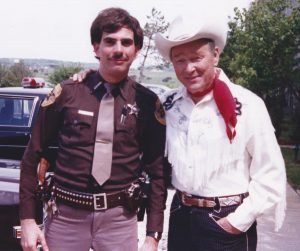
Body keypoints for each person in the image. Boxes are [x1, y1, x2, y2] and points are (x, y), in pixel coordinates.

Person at [19, 7, 166, 251]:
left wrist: (153, 236)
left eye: (126, 43)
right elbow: (31, 157)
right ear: (96, 47)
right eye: (109, 41)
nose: (118, 49)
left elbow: (158, 173)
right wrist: (27, 220)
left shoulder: (148, 103)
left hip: (119, 220)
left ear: (136, 50)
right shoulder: (67, 94)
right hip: (65, 217)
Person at [153, 15, 286, 251]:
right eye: (180, 60)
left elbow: (270, 172)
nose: (188, 68)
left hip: (226, 219)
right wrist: (89, 78)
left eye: (196, 58)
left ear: (215, 54)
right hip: (181, 214)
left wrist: (237, 221)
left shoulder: (248, 104)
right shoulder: (167, 104)